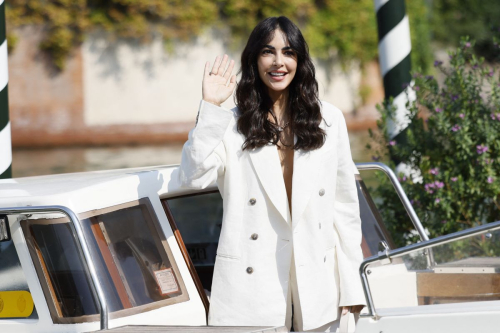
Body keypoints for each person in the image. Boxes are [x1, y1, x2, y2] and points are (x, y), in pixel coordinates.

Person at [177, 16, 366, 332]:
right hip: (251, 287)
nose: (279, 62)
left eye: (288, 52)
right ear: (254, 60)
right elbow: (192, 177)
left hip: (318, 283)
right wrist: (210, 106)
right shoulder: (230, 124)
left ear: (299, 60)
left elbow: (345, 208)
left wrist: (351, 283)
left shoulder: (329, 120)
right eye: (268, 52)